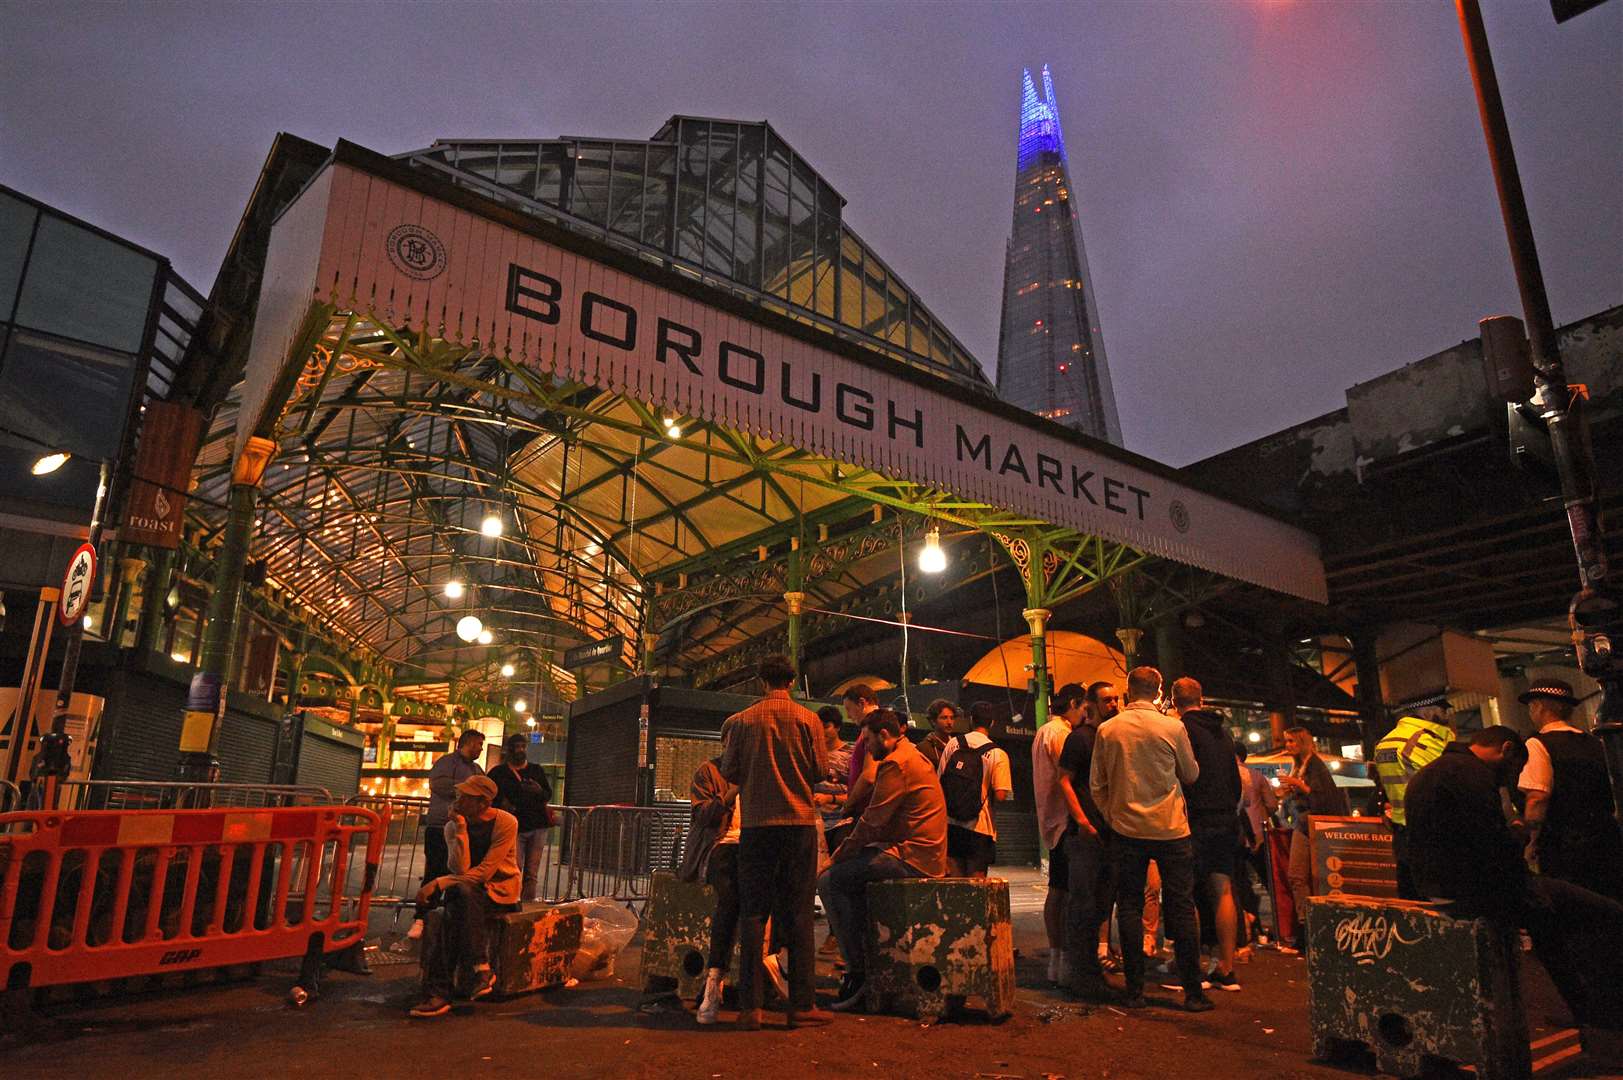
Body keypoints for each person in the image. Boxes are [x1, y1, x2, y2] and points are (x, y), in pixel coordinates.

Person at [1409, 725, 1623, 1033]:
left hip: (1439, 886)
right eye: (1514, 766)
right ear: (1506, 750)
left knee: (1550, 923)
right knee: (1604, 912)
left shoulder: (1429, 773)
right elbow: (1492, 848)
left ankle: (1585, 1012)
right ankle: (1595, 1013)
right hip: (1480, 891)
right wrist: (1521, 835)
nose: (1511, 776)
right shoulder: (1472, 775)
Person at [718, 654, 830, 1030]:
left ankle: (752, 1009)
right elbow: (820, 770)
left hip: (757, 827)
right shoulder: (809, 720)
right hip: (798, 825)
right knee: (798, 915)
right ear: (792, 681)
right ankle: (801, 1006)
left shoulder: (740, 722)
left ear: (760, 681)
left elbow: (730, 771)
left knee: (753, 914)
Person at [1090, 666, 1211, 1011]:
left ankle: (1135, 991)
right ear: (1158, 692)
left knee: (1128, 905)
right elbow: (1190, 774)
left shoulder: (1108, 729)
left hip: (1126, 830)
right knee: (1182, 905)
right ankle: (1192, 992)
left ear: (1128, 691)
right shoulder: (1172, 727)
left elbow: (1097, 784)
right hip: (1170, 829)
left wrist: (1112, 815)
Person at [818, 707, 947, 1012]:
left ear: (884, 735)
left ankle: (858, 974)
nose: (867, 748)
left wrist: (836, 858)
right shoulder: (913, 756)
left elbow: (872, 822)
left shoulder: (896, 764)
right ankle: (873, 965)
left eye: (868, 741)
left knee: (830, 882)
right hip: (920, 851)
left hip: (914, 857)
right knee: (855, 874)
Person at [409, 774, 521, 1018]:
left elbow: (484, 873)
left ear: (483, 803)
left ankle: (440, 992)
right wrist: (460, 828)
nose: (457, 801)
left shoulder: (506, 823)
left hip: (499, 892)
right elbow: (461, 869)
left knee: (458, 897)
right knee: (444, 916)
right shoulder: (453, 825)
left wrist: (438, 883)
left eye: (464, 797)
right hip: (467, 894)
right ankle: (479, 970)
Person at [1517, 679, 1623, 903]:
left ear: (1538, 707)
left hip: (1564, 847)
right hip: (1607, 840)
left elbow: (1537, 798)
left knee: (1573, 910)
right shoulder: (1596, 743)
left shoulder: (1537, 744)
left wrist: (1531, 842)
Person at [1172, 678, 1242, 992]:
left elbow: (1181, 776)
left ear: (1175, 702)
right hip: (1226, 818)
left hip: (1195, 820)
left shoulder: (1182, 730)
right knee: (1223, 890)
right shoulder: (1224, 733)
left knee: (1189, 895)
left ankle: (1193, 969)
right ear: (1201, 699)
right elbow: (1235, 782)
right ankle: (1227, 968)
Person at [1055, 680, 1116, 1001]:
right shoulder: (1079, 739)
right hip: (1085, 834)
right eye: (1107, 699)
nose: (1114, 703)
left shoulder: (1110, 737)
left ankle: (1091, 970)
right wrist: (1081, 821)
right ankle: (1079, 974)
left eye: (1117, 698)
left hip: (1109, 832)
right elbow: (1063, 780)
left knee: (1100, 904)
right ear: (1091, 704)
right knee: (1082, 903)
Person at [1275, 725, 1348, 955]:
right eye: (1286, 742)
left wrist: (1297, 785)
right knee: (1302, 877)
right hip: (1303, 825)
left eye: (1291, 742)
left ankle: (1308, 931)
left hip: (1310, 827)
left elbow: (1322, 797)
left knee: (1302, 876)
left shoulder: (1315, 766)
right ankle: (1308, 930)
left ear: (1303, 742)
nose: (1287, 746)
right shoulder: (1299, 765)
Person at [1371, 697, 1454, 900]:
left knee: (1412, 901)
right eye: (1443, 711)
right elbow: (1450, 783)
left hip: (1403, 834)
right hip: (1434, 834)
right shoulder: (1423, 741)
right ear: (1426, 713)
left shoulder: (1386, 742)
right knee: (1443, 904)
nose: (1448, 716)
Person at [409, 729, 485, 940]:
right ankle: (421, 918)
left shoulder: (477, 768)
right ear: (468, 743)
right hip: (440, 827)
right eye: (478, 744)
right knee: (435, 870)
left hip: (464, 830)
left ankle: (449, 919)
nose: (480, 748)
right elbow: (437, 784)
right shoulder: (447, 762)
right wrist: (468, 790)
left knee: (458, 876)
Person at [1034, 683, 1086, 984]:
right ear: (1074, 703)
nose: (1084, 714)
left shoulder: (1044, 732)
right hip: (1064, 820)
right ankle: (1061, 957)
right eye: (1083, 708)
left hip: (1053, 820)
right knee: (1063, 892)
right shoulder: (1060, 734)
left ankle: (1057, 958)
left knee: (1059, 890)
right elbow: (1068, 776)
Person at [937, 701, 1013, 876]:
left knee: (955, 887)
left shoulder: (953, 744)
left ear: (970, 720)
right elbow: (1001, 795)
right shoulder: (997, 754)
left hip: (951, 825)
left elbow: (940, 779)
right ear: (992, 722)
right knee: (977, 887)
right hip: (980, 827)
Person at [489, 732, 553, 902]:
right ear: (509, 750)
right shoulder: (498, 773)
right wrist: (501, 804)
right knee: (513, 867)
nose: (520, 750)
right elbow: (489, 796)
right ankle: (512, 901)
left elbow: (548, 794)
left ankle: (527, 905)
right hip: (514, 826)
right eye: (516, 747)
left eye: (523, 746)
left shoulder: (536, 770)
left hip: (537, 826)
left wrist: (538, 790)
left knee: (532, 872)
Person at [1234, 742, 1278, 948]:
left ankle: (1251, 924)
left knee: (1241, 883)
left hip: (1236, 836)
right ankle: (1278, 927)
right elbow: (1272, 805)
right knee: (1269, 880)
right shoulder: (1257, 777)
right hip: (1259, 834)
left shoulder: (1225, 774)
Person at [920, 699, 960, 769]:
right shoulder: (924, 748)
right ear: (933, 721)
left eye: (952, 718)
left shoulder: (959, 745)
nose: (949, 722)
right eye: (944, 718)